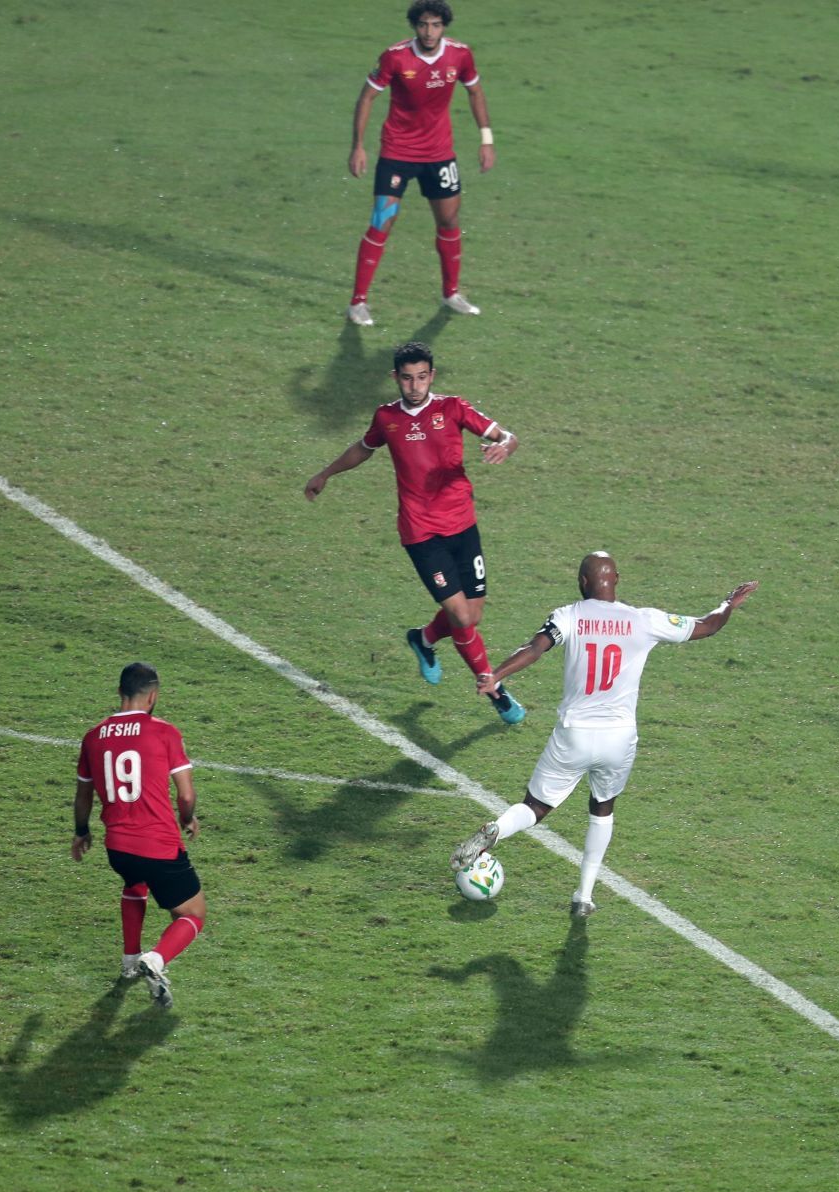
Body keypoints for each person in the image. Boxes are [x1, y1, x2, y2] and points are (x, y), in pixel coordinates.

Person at [451, 553, 758, 917]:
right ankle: (583, 896)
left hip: (574, 734)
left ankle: (496, 831)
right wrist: (729, 602)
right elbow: (708, 626)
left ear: (583, 582)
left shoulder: (569, 616)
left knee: (535, 806)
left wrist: (495, 676)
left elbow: (534, 648)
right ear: (618, 580)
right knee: (602, 808)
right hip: (619, 738)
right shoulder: (644, 620)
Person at [304, 341, 527, 723]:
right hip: (421, 532)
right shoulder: (386, 417)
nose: (414, 386)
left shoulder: (452, 408)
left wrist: (506, 446)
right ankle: (495, 690)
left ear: (431, 377)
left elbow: (506, 435)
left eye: (421, 377)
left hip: (463, 525)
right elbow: (363, 448)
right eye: (406, 379)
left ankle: (422, 639)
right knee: (460, 614)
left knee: (472, 615)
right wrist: (326, 473)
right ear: (396, 378)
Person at [344, 0, 494, 326]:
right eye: (423, 25)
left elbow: (476, 92)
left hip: (439, 156)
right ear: (415, 26)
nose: (429, 32)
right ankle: (358, 302)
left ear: (444, 26)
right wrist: (358, 146)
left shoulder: (460, 55)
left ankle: (451, 293)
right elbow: (367, 97)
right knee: (381, 222)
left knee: (449, 222)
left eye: (436, 25)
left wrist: (486, 139)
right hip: (397, 154)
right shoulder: (395, 56)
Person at [71, 663, 204, 1009]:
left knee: (134, 884)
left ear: (120, 693)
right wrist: (188, 819)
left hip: (118, 846)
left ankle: (130, 962)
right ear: (154, 695)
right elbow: (186, 796)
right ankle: (155, 960)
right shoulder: (164, 732)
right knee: (193, 914)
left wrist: (81, 831)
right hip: (157, 844)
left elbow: (83, 795)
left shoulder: (93, 736)